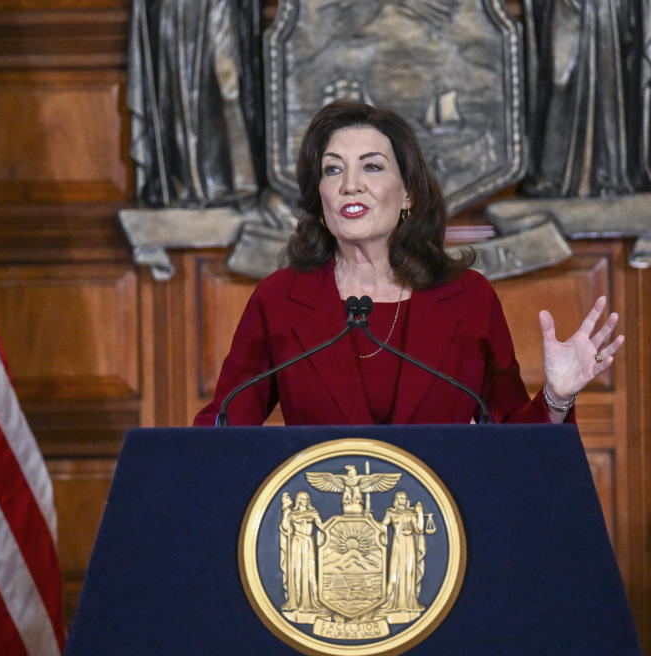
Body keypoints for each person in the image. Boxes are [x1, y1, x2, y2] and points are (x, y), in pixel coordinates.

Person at [193, 100, 623, 426]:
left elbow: (510, 443)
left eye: (372, 167)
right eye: (332, 170)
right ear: (319, 195)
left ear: (407, 194)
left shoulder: (467, 299)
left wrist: (556, 397)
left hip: (442, 530)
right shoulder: (280, 300)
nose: (350, 186)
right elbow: (226, 425)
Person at [380, 491, 427, 622]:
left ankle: (409, 602)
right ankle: (394, 602)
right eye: (399, 498)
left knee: (409, 570)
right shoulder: (391, 512)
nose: (402, 500)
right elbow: (382, 525)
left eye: (404, 498)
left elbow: (419, 529)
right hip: (398, 543)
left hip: (409, 543)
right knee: (396, 571)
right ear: (396, 499)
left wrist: (419, 513)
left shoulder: (411, 513)